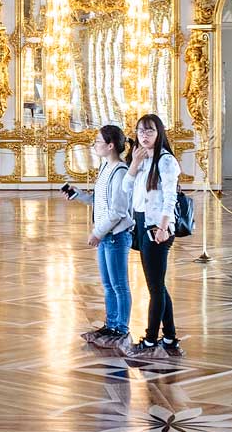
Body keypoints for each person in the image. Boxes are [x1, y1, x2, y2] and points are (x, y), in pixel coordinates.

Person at [64, 125, 134, 346]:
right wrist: (79, 196)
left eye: (97, 141)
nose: (94, 145)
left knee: (119, 285)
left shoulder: (120, 171)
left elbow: (118, 211)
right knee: (108, 285)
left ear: (110, 145)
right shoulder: (106, 168)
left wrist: (97, 232)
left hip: (115, 236)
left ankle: (121, 328)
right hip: (107, 236)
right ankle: (111, 324)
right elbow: (100, 201)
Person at [127, 112, 181, 358]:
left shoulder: (165, 161)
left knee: (155, 286)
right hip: (141, 222)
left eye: (149, 131)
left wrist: (163, 226)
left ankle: (150, 341)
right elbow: (127, 190)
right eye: (140, 131)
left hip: (157, 226)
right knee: (157, 284)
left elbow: (170, 197)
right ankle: (169, 337)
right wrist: (134, 164)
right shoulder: (142, 159)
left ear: (159, 133)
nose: (144, 135)